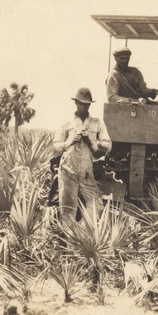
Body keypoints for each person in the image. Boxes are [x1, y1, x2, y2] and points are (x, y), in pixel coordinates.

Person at [53, 87, 112, 228]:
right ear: (76, 103)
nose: (83, 106)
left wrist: (91, 142)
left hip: (86, 170)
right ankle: (69, 243)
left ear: (90, 104)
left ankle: (80, 232)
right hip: (68, 169)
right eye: (81, 103)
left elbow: (108, 145)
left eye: (86, 104)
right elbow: (55, 144)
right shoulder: (67, 122)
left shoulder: (96, 122)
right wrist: (69, 142)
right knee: (68, 208)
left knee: (97, 204)